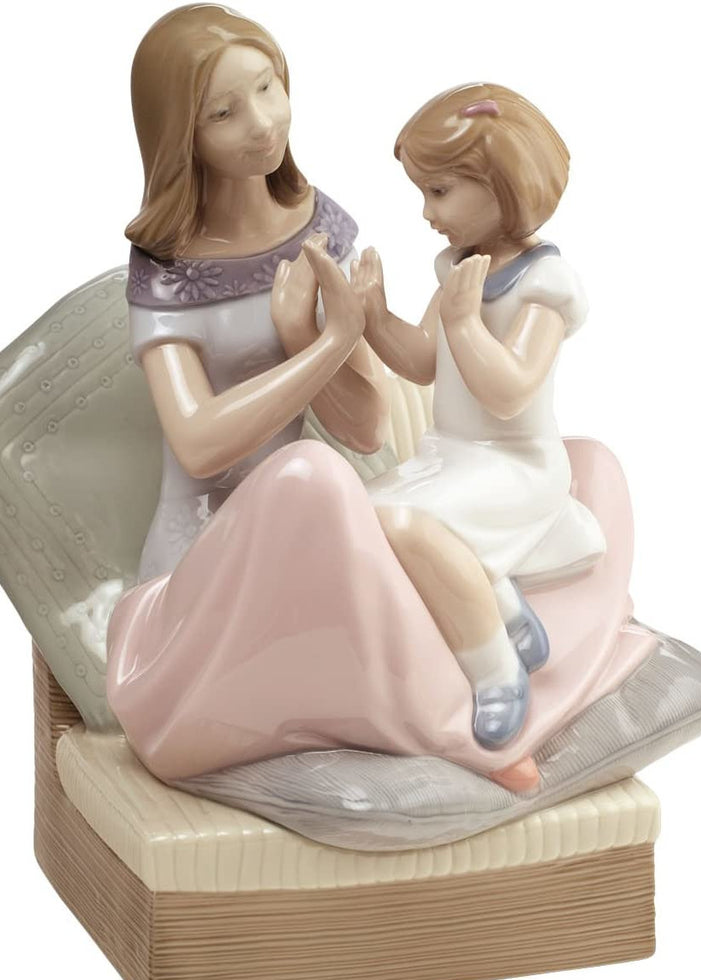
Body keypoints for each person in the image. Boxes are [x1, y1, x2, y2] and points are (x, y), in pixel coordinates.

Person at [105, 5, 542, 791]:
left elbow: (366, 427)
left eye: (268, 87)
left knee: (348, 507)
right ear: (180, 135)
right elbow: (200, 443)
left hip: (307, 532)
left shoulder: (320, 227)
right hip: (205, 553)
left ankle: (474, 684)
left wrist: (309, 335)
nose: (262, 122)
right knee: (311, 475)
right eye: (224, 112)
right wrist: (332, 342)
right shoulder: (164, 270)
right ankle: (454, 724)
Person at [353, 84, 607, 761]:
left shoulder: (543, 284)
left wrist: (466, 321)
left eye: (439, 191)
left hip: (516, 466)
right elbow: (423, 361)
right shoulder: (461, 269)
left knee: (406, 526)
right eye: (423, 192)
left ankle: (496, 667)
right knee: (359, 513)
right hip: (451, 456)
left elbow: (509, 391)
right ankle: (504, 606)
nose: (426, 212)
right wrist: (375, 317)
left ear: (503, 184)